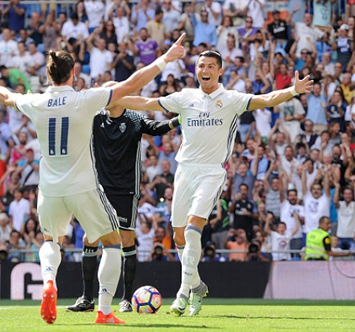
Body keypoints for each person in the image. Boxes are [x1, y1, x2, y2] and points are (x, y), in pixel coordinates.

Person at [0, 34, 185, 325]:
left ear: (48, 74)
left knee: (51, 240)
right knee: (111, 242)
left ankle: (48, 282)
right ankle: (105, 311)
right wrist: (165, 58)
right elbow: (131, 85)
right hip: (83, 186)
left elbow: (6, 96)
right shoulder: (86, 99)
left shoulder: (36, 101)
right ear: (74, 73)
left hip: (49, 188)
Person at [113, 50, 312, 316]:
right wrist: (111, 98)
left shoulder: (231, 99)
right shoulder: (185, 97)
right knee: (179, 235)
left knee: (195, 229)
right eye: (200, 65)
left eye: (209, 66)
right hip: (184, 171)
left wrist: (292, 90)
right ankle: (197, 286)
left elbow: (266, 100)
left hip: (211, 172)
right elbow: (148, 103)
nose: (204, 70)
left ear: (220, 71)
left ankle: (182, 293)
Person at [66, 81, 180, 313]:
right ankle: (87, 299)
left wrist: (180, 119)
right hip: (98, 189)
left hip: (126, 190)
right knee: (90, 238)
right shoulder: (95, 118)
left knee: (126, 240)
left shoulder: (134, 119)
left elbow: (157, 128)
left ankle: (126, 298)